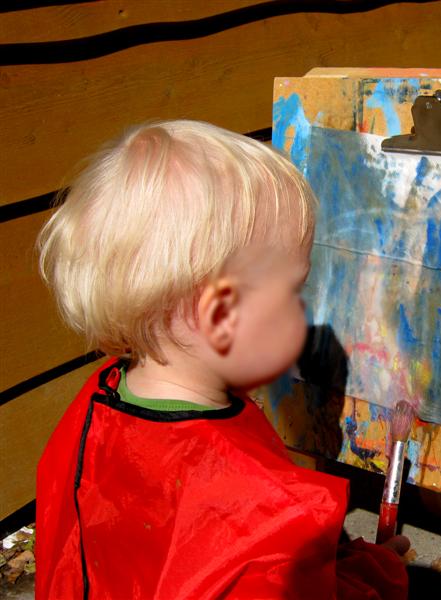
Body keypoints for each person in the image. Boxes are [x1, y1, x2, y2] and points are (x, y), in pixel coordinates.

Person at [34, 120, 410, 599]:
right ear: (224, 317)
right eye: (294, 291)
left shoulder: (94, 405)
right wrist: (378, 576)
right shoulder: (266, 514)